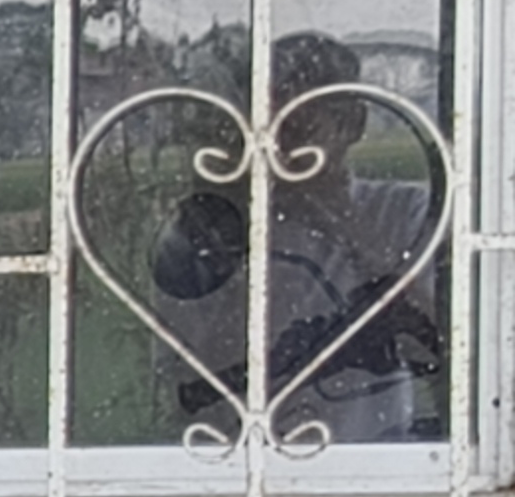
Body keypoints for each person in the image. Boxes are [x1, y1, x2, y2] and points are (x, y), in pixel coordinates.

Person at [150, 34, 445, 445]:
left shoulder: (402, 210)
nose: (279, 150)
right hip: (236, 451)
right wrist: (238, 233)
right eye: (261, 129)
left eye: (297, 129)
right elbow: (188, 376)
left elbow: (439, 342)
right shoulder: (207, 230)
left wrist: (343, 223)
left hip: (375, 452)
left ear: (352, 125)